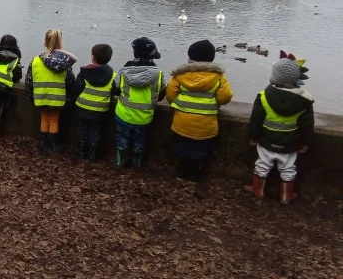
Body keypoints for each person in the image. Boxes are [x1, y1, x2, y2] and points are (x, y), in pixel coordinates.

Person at [245, 52, 314, 203]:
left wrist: (253, 137)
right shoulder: (305, 101)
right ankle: (286, 195)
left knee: (262, 164)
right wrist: (306, 143)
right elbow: (307, 125)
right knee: (288, 168)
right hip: (290, 143)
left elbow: (256, 119)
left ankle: (257, 189)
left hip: (267, 139)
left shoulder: (264, 96)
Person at [166, 40, 233, 183]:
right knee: (200, 151)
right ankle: (195, 176)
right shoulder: (218, 77)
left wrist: (178, 103)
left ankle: (181, 174)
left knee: (183, 149)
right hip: (205, 124)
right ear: (212, 58)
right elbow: (225, 96)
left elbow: (170, 94)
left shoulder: (180, 75)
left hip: (182, 122)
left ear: (190, 57)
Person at [115, 37, 165, 169]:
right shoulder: (158, 73)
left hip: (123, 114)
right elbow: (161, 94)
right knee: (140, 140)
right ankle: (137, 162)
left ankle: (120, 161)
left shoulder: (123, 70)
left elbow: (115, 88)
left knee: (122, 138)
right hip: (144, 117)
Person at [25, 29, 77, 154]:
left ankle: (45, 145)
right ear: (61, 42)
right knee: (53, 120)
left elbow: (28, 80)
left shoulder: (35, 60)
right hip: (57, 99)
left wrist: (28, 96)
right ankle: (52, 146)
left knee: (44, 118)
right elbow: (71, 81)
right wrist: (69, 98)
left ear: (44, 43)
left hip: (41, 96)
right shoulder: (65, 63)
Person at [74, 44, 119, 161]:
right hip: (100, 110)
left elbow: (77, 88)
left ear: (92, 57)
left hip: (82, 108)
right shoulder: (113, 76)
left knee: (82, 130)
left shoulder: (84, 72)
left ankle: (81, 152)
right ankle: (92, 154)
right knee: (95, 132)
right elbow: (114, 91)